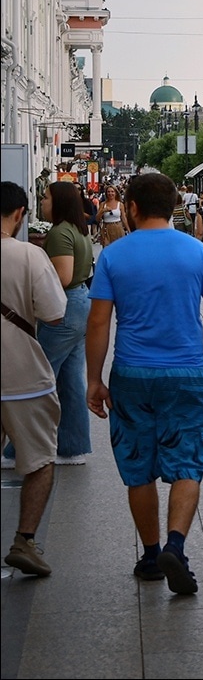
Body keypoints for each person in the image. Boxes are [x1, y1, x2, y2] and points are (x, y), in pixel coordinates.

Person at [86, 173, 203, 595]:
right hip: (186, 373)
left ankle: (151, 555)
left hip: (131, 374)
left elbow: (98, 322)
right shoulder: (197, 252)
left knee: (139, 466)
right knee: (187, 461)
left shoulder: (114, 255)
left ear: (131, 207)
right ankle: (176, 545)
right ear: (173, 207)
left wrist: (94, 379)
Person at [1, 181, 69, 577]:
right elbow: (54, 313)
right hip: (23, 375)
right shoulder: (29, 255)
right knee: (41, 459)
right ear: (19, 214)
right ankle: (24, 540)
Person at [39, 181, 95, 464]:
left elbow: (62, 276)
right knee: (71, 380)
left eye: (46, 197)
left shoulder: (60, 232)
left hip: (64, 307)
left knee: (39, 377)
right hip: (80, 303)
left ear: (59, 202)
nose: (42, 201)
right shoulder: (77, 230)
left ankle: (22, 448)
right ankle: (73, 448)